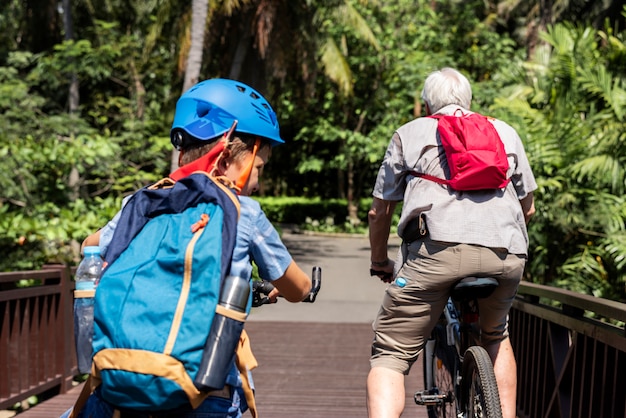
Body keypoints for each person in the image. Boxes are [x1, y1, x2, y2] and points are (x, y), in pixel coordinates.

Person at [64, 78, 313, 418]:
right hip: (206, 394)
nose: (258, 181)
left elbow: (90, 246)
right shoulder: (244, 212)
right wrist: (301, 287)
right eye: (258, 168)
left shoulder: (142, 202)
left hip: (120, 386)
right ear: (227, 158)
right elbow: (296, 288)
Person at [366, 68, 536, 418]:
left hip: (436, 253)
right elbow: (528, 208)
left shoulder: (410, 133)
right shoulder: (505, 131)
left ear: (427, 105)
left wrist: (381, 260)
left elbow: (379, 211)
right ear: (470, 101)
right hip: (506, 254)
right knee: (496, 336)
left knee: (391, 353)